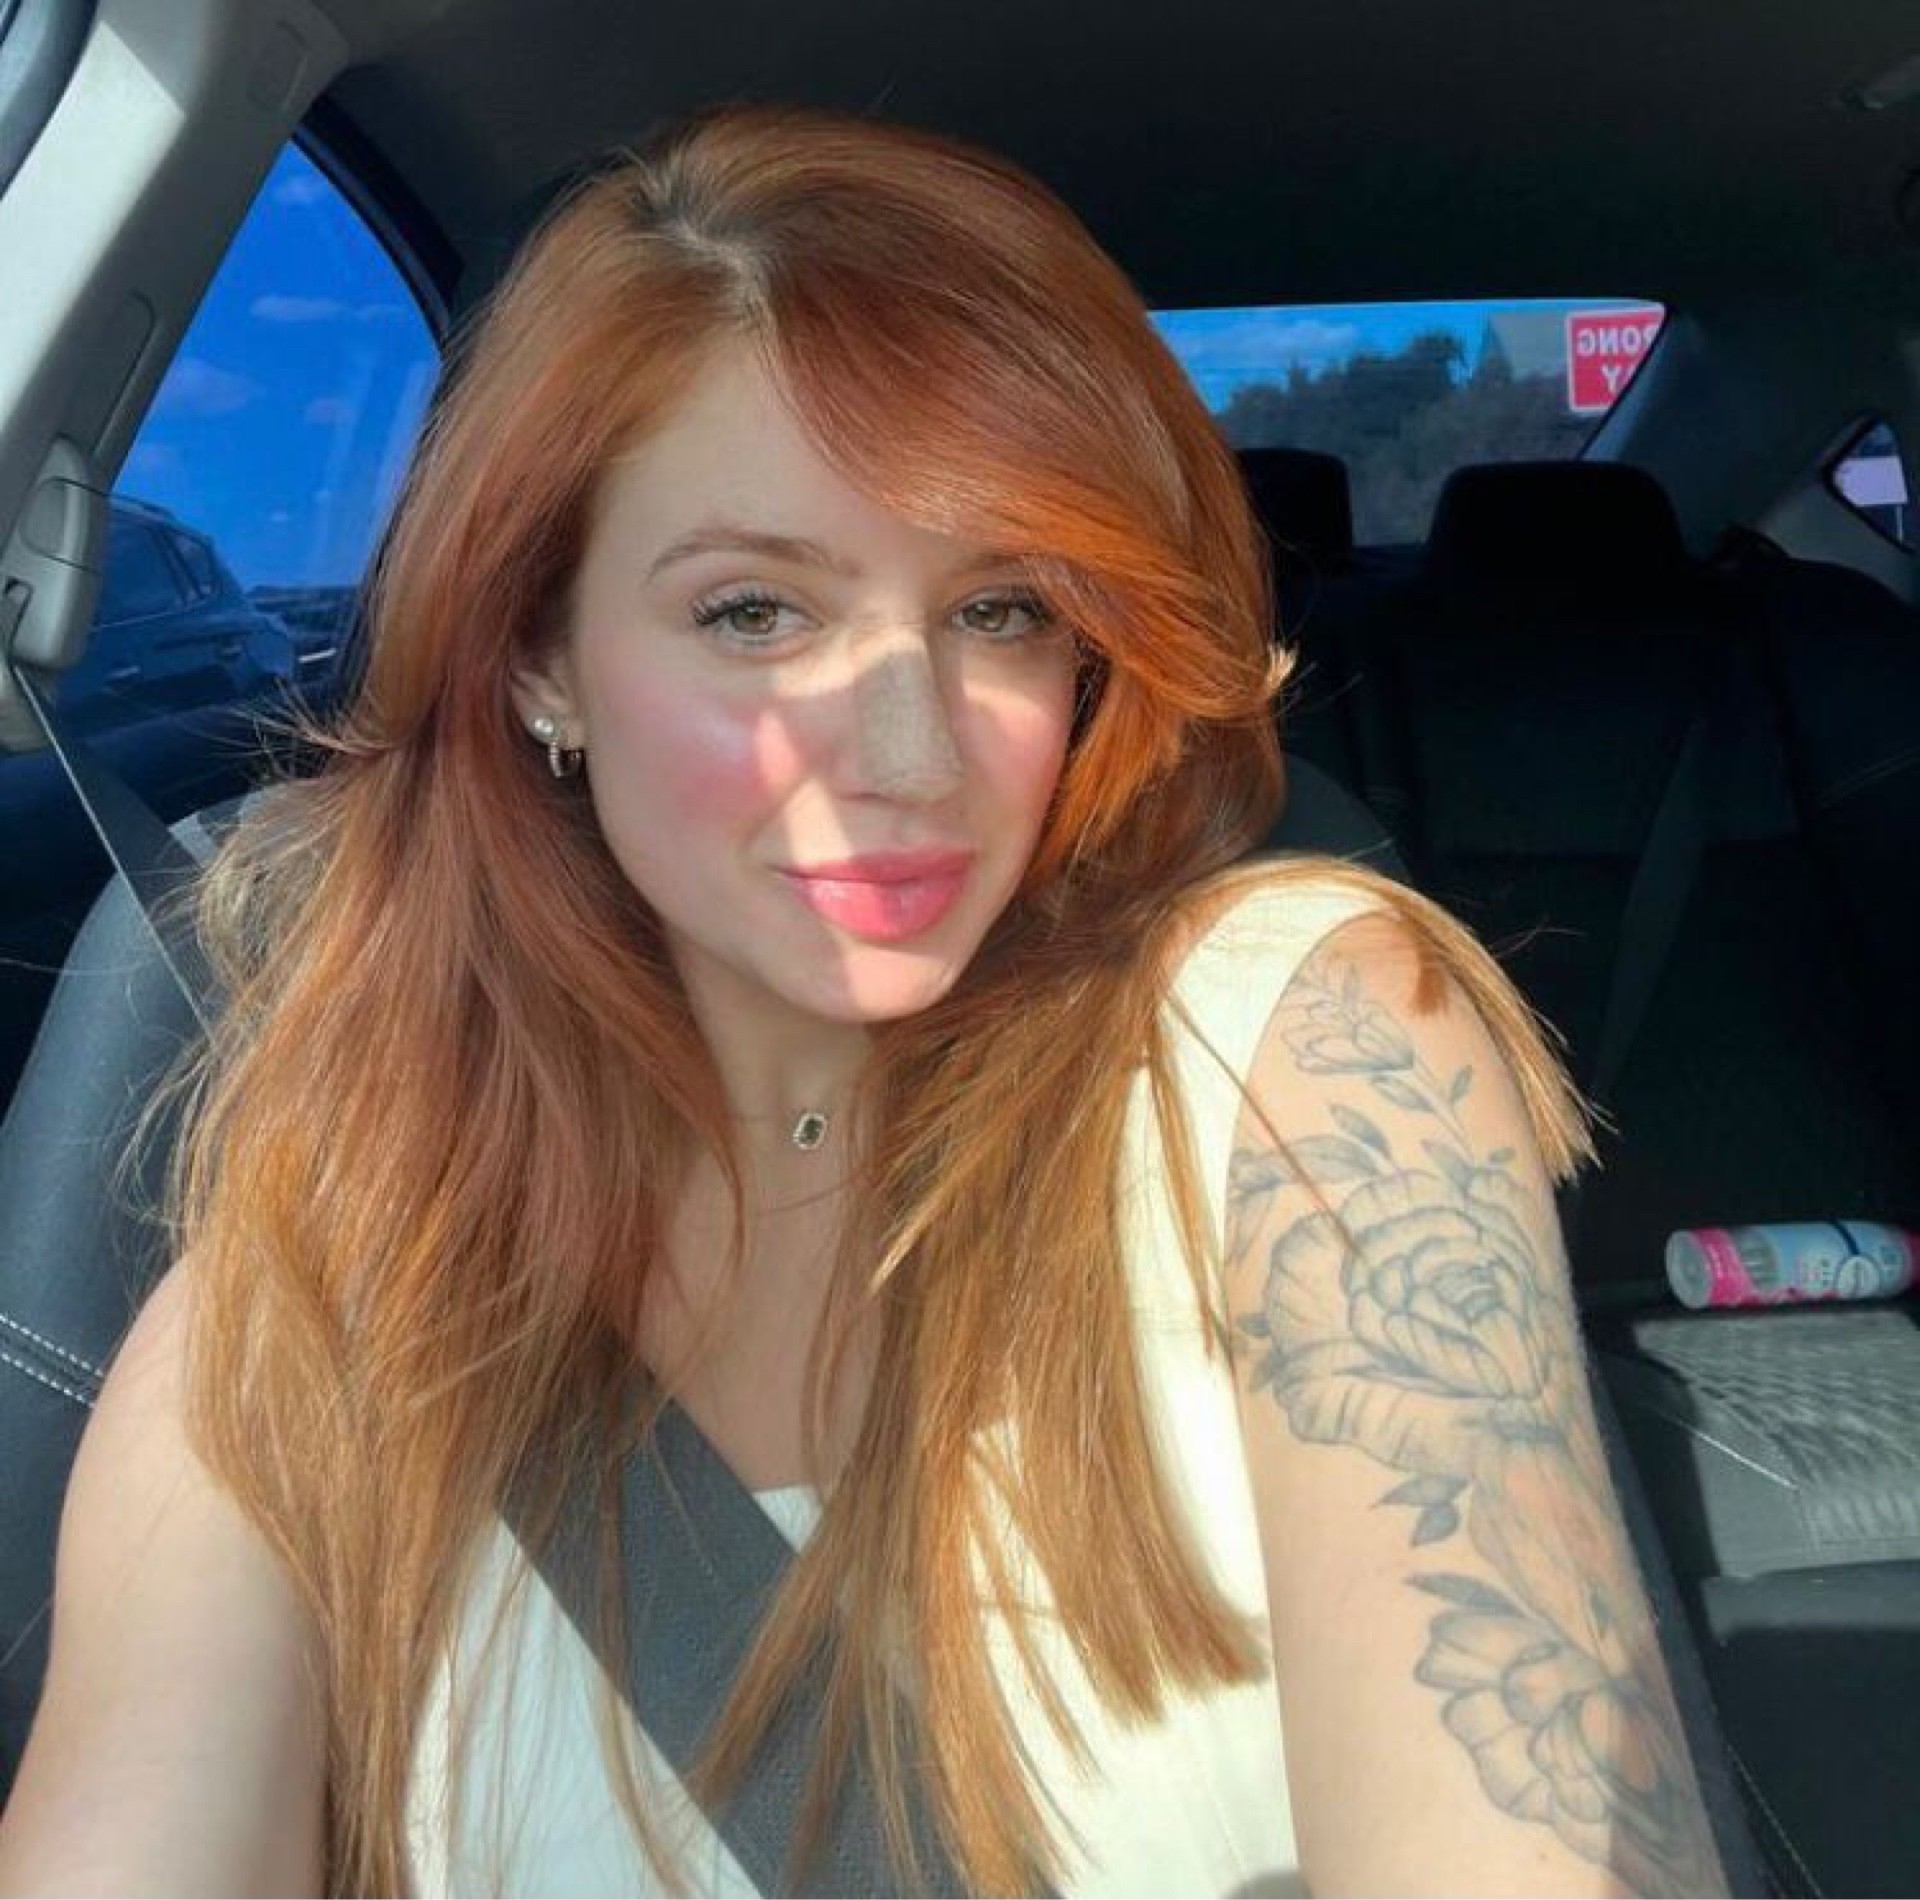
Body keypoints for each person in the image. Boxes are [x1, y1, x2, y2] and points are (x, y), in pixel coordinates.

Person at [0, 105, 1727, 1898]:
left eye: (1002, 609)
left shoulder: (1300, 1042)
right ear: (540, 656)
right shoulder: (321, 1290)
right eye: (755, 612)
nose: (910, 756)